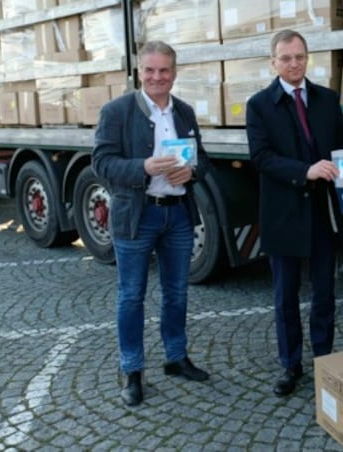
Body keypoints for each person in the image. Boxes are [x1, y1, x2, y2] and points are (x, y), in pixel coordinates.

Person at [93, 40, 212, 407]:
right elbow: (101, 162)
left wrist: (191, 171)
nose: (157, 77)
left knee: (177, 292)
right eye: (150, 70)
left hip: (177, 214)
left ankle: (176, 358)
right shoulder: (117, 111)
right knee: (132, 296)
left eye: (164, 70)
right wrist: (142, 168)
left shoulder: (185, 112)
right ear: (139, 72)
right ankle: (132, 370)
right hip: (136, 215)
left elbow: (203, 160)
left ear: (174, 74)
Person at [246, 30, 343, 397]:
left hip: (323, 212)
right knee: (285, 296)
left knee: (325, 293)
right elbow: (260, 157)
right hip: (283, 213)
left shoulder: (327, 99)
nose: (294, 64)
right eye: (286, 58)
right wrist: (303, 171)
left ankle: (325, 362)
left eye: (300, 57)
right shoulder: (259, 105)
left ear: (308, 58)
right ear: (273, 62)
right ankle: (290, 365)